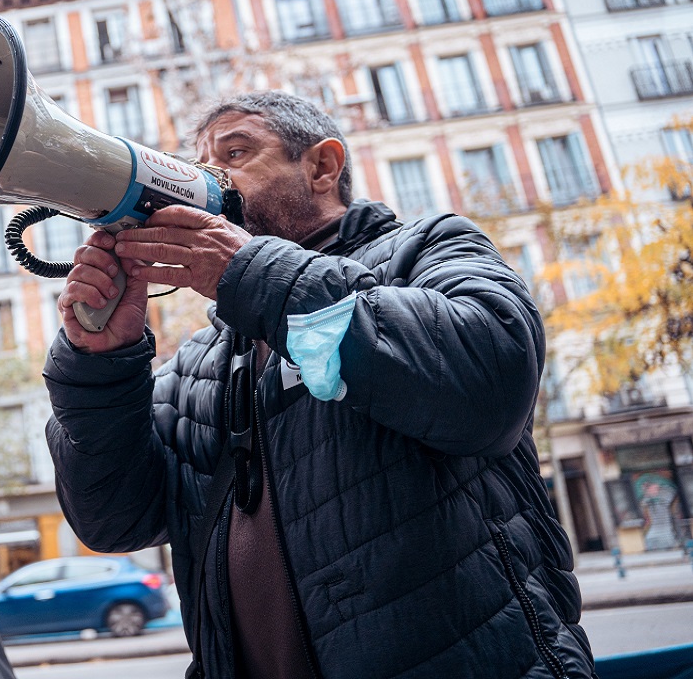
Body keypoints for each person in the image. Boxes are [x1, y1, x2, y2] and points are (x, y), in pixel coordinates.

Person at [44, 91, 595, 678]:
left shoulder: (424, 249)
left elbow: (493, 381)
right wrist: (101, 364)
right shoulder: (199, 361)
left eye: (236, 152)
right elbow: (113, 519)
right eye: (199, 162)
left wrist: (250, 272)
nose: (209, 178)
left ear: (321, 167)